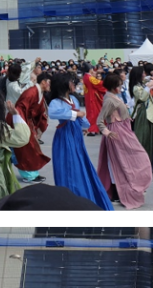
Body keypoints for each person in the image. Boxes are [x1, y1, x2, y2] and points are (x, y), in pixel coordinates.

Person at [48, 73, 113, 210]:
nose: (74, 85)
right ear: (64, 84)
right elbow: (53, 113)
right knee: (68, 167)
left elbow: (82, 118)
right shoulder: (56, 102)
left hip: (76, 136)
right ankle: (71, 200)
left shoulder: (73, 99)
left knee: (80, 164)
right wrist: (75, 114)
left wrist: (85, 125)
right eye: (72, 82)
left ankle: (85, 197)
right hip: (65, 136)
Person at [96, 73, 152, 209]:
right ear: (114, 87)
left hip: (123, 130)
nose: (121, 87)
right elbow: (99, 120)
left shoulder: (112, 97)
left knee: (128, 161)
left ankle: (129, 188)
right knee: (122, 163)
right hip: (118, 132)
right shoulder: (109, 100)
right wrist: (107, 132)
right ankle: (119, 192)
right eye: (119, 85)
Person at [10, 72, 51, 183]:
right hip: (18, 122)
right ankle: (28, 175)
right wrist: (23, 128)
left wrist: (39, 127)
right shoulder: (30, 93)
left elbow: (40, 113)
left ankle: (32, 173)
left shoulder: (39, 93)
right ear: (43, 82)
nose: (50, 85)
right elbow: (20, 110)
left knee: (32, 149)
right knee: (24, 149)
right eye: (49, 82)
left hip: (27, 122)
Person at [129, 66, 153, 164]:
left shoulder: (141, 84)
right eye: (143, 73)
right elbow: (142, 97)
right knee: (143, 136)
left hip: (147, 112)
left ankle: (147, 160)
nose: (145, 75)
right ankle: (140, 161)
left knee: (149, 136)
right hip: (143, 113)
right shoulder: (136, 87)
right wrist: (148, 87)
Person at [82, 64, 107, 135]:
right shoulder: (90, 78)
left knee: (94, 113)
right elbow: (99, 84)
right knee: (94, 114)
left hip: (90, 97)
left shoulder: (85, 77)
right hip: (93, 98)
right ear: (90, 70)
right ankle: (93, 129)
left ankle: (96, 129)